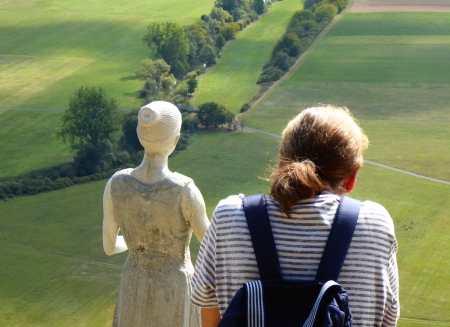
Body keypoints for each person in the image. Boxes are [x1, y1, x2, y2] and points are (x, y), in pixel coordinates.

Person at [190, 106, 399, 327]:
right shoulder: (375, 225)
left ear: (281, 164)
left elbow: (211, 320)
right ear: (351, 178)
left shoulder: (229, 217)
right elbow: (387, 320)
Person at [103, 101, 209, 327]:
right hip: (175, 289)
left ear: (141, 137)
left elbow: (109, 246)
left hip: (134, 284)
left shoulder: (116, 184)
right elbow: (213, 249)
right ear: (175, 140)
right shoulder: (185, 190)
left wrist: (135, 243)